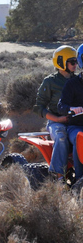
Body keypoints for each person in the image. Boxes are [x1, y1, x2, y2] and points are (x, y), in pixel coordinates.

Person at [34, 45, 77, 179]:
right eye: (72, 62)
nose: (76, 65)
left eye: (76, 61)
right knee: (61, 136)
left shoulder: (78, 80)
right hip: (56, 122)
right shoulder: (50, 82)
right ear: (61, 62)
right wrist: (57, 119)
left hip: (76, 121)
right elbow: (38, 107)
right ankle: (58, 176)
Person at [57, 43, 83, 182]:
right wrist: (71, 109)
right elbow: (61, 106)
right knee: (80, 139)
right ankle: (79, 181)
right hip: (76, 126)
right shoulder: (72, 84)